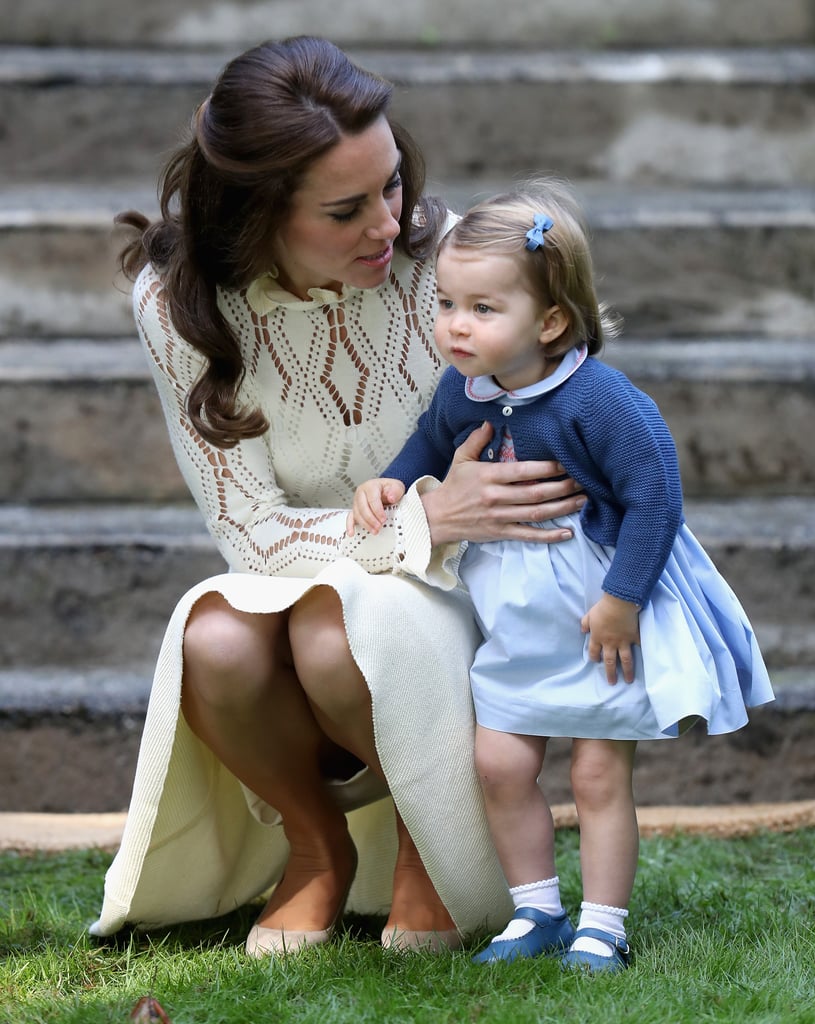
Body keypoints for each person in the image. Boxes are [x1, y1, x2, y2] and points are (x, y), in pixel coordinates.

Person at [89, 38, 588, 957]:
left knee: (334, 630)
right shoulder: (179, 301)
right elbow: (249, 531)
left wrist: (445, 531)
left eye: (392, 185)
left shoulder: (453, 259)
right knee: (216, 637)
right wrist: (419, 521)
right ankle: (314, 845)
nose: (388, 225)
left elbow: (549, 463)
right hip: (337, 566)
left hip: (474, 587)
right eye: (346, 208)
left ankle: (426, 843)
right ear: (256, 213)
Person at [349, 177, 775, 973]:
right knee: (502, 762)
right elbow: (428, 445)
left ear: (549, 320)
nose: (455, 325)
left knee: (596, 769)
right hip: (513, 618)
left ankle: (603, 924)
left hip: (595, 615)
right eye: (446, 303)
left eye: (482, 308)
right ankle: (536, 910)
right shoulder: (464, 389)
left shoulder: (600, 401)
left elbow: (656, 500)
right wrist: (393, 481)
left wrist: (623, 603)